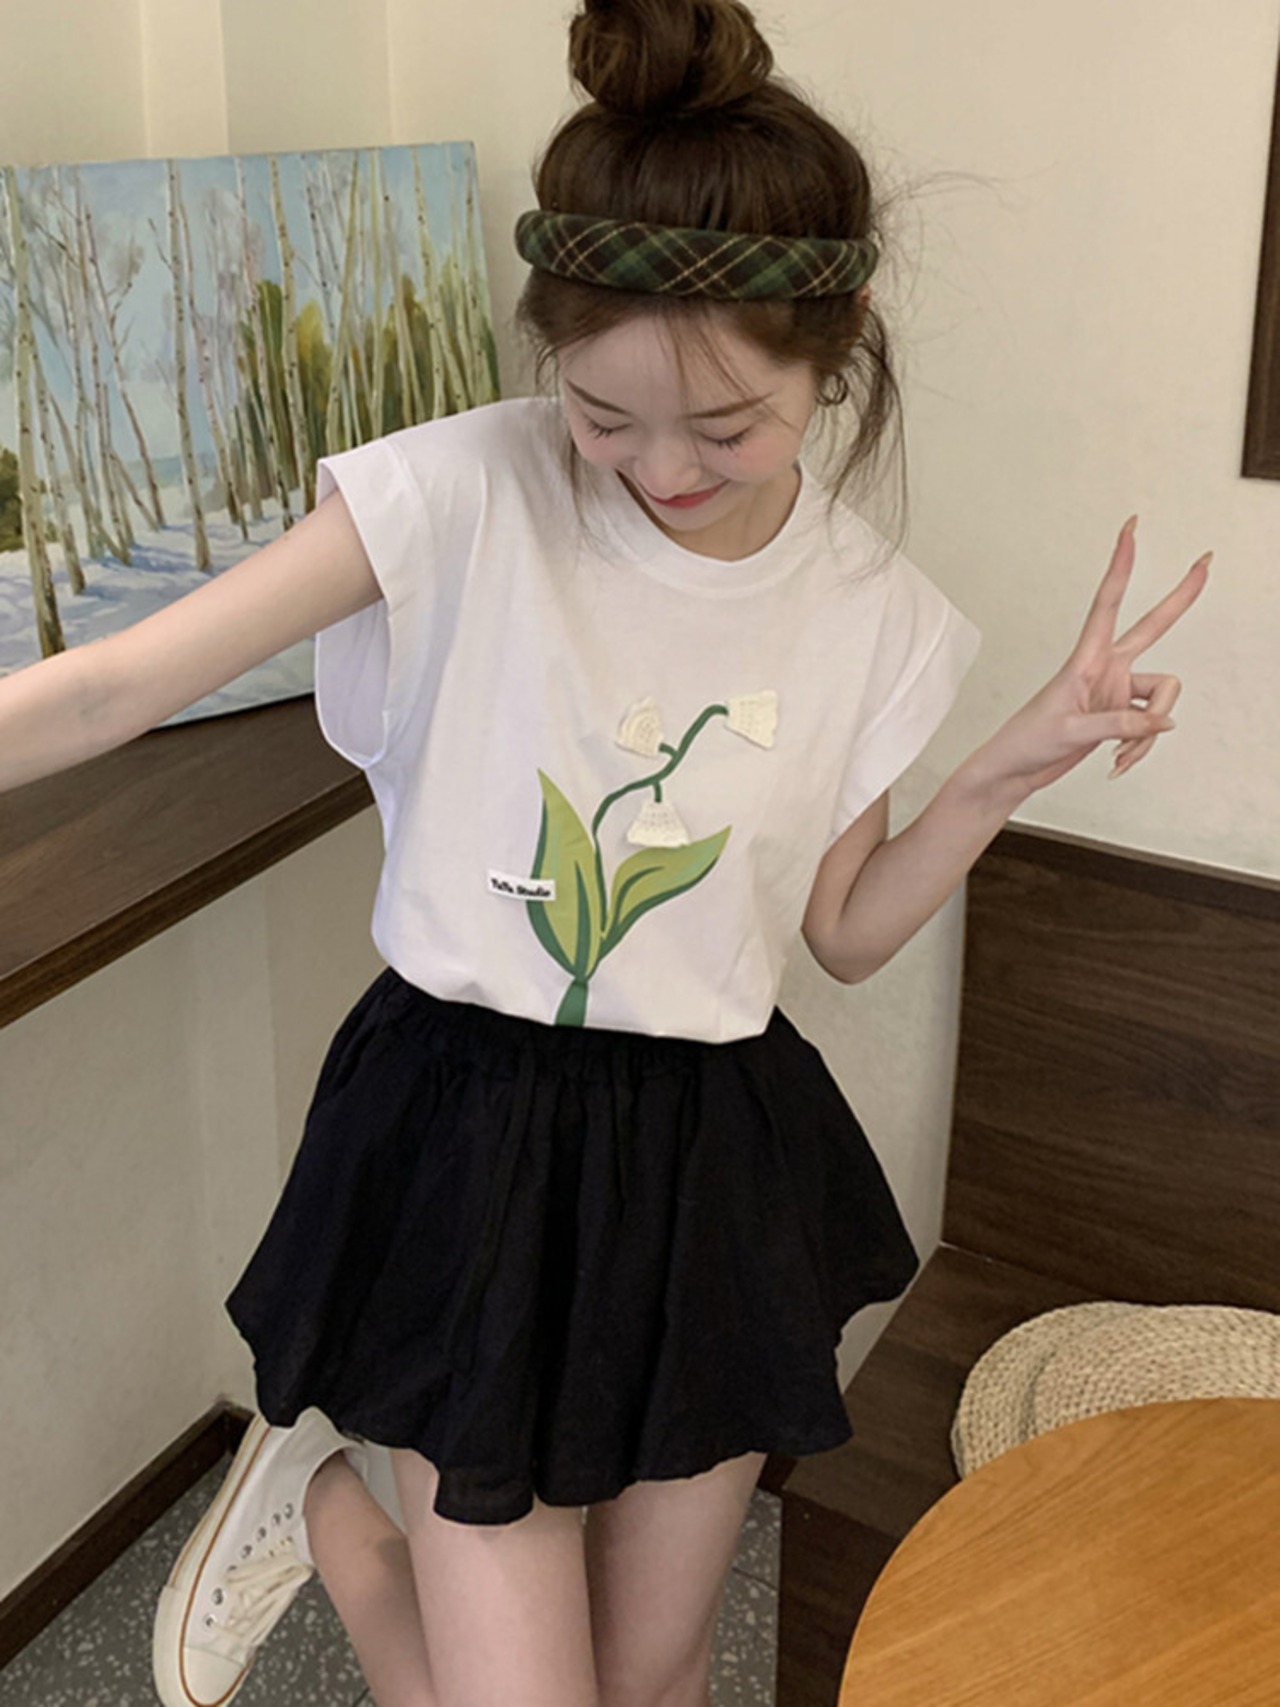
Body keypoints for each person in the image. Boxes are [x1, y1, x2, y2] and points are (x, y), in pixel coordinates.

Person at [0, 2, 1208, 1704]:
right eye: (602, 414)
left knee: (650, 1683)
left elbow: (847, 930)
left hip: (706, 1165)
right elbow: (115, 683)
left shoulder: (869, 614)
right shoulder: (452, 496)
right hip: (464, 1141)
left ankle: (347, 1513)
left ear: (834, 361)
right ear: (552, 361)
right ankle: (343, 1513)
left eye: (726, 426)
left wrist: (1019, 754)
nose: (661, 470)